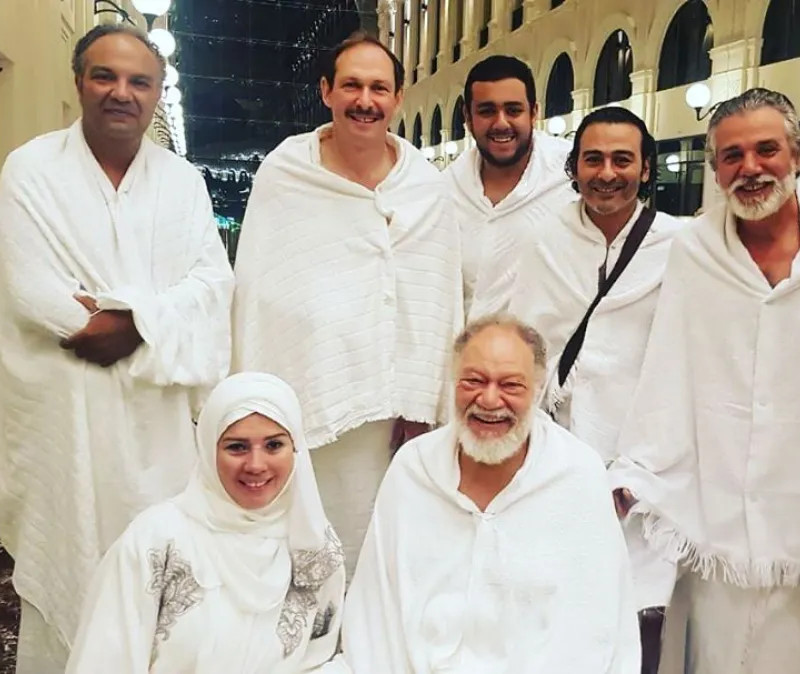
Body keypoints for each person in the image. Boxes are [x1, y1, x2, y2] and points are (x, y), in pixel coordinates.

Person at [608, 88, 800, 674]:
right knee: (715, 651)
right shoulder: (696, 251)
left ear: (797, 154)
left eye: (766, 149)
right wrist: (640, 467)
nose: (751, 168)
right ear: (715, 170)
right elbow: (670, 364)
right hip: (717, 510)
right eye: (732, 156)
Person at [0, 24, 234, 671]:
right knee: (68, 573)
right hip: (62, 418)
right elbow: (31, 290)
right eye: (105, 76)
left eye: (139, 81)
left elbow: (212, 283)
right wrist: (147, 316)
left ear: (156, 93)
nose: (121, 92)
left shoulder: (182, 182)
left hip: (155, 427)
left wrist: (134, 324)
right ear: (79, 82)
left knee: (159, 577)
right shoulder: (32, 170)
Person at [231, 32, 462, 575]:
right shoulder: (287, 174)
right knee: (303, 552)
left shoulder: (425, 186)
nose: (365, 100)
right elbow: (259, 290)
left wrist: (423, 403)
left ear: (397, 97)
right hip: (308, 399)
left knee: (382, 552)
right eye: (352, 85)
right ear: (326, 91)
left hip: (394, 419)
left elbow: (439, 299)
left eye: (379, 88)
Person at [337, 314, 641, 673]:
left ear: (536, 390)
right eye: (474, 381)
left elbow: (598, 630)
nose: (490, 399)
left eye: (510, 385)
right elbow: (375, 619)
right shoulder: (413, 470)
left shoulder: (577, 476)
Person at [503, 106, 684, 672]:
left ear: (646, 169)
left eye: (622, 159)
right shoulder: (543, 240)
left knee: (637, 614)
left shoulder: (680, 245)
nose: (607, 173)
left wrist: (641, 469)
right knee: (557, 607)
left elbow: (686, 363)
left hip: (648, 461)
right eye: (594, 159)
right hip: (558, 455)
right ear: (575, 167)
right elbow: (522, 347)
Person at [66, 372, 345, 673]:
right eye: (237, 447)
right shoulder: (157, 540)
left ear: (296, 449)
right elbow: (104, 659)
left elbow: (318, 659)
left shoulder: (313, 545)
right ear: (209, 448)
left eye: (274, 445)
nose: (255, 465)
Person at [448, 55, 573, 318]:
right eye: (487, 111)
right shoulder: (446, 187)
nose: (501, 123)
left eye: (513, 110)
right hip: (463, 343)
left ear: (534, 112)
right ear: (468, 118)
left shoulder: (572, 175)